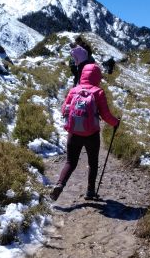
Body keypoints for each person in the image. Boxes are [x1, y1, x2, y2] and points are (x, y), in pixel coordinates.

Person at [50, 63, 120, 201]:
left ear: (82, 75)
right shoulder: (98, 92)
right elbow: (106, 116)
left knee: (70, 162)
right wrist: (116, 122)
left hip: (74, 132)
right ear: (97, 77)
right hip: (92, 134)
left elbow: (64, 109)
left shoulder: (74, 90)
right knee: (93, 163)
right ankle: (90, 191)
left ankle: (60, 184)